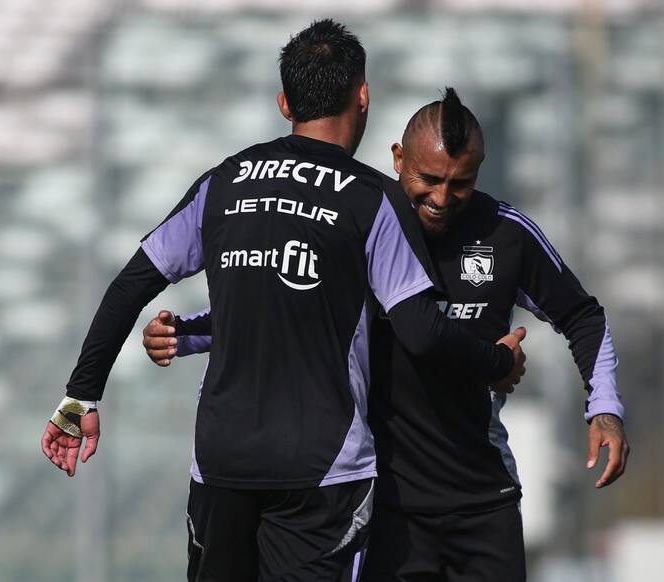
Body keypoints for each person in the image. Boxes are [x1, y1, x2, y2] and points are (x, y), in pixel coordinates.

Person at [40, 22, 526, 582]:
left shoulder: (224, 182)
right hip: (322, 470)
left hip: (223, 462)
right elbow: (418, 328)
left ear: (285, 104)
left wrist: (81, 396)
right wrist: (496, 361)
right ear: (363, 97)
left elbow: (131, 285)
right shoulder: (373, 197)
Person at [143, 88, 629, 582]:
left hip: (484, 500)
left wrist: (605, 408)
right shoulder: (361, 219)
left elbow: (583, 316)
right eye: (429, 179)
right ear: (399, 159)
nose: (441, 198)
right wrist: (185, 334)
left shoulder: (508, 234)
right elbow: (278, 307)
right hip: (387, 510)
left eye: (460, 183)